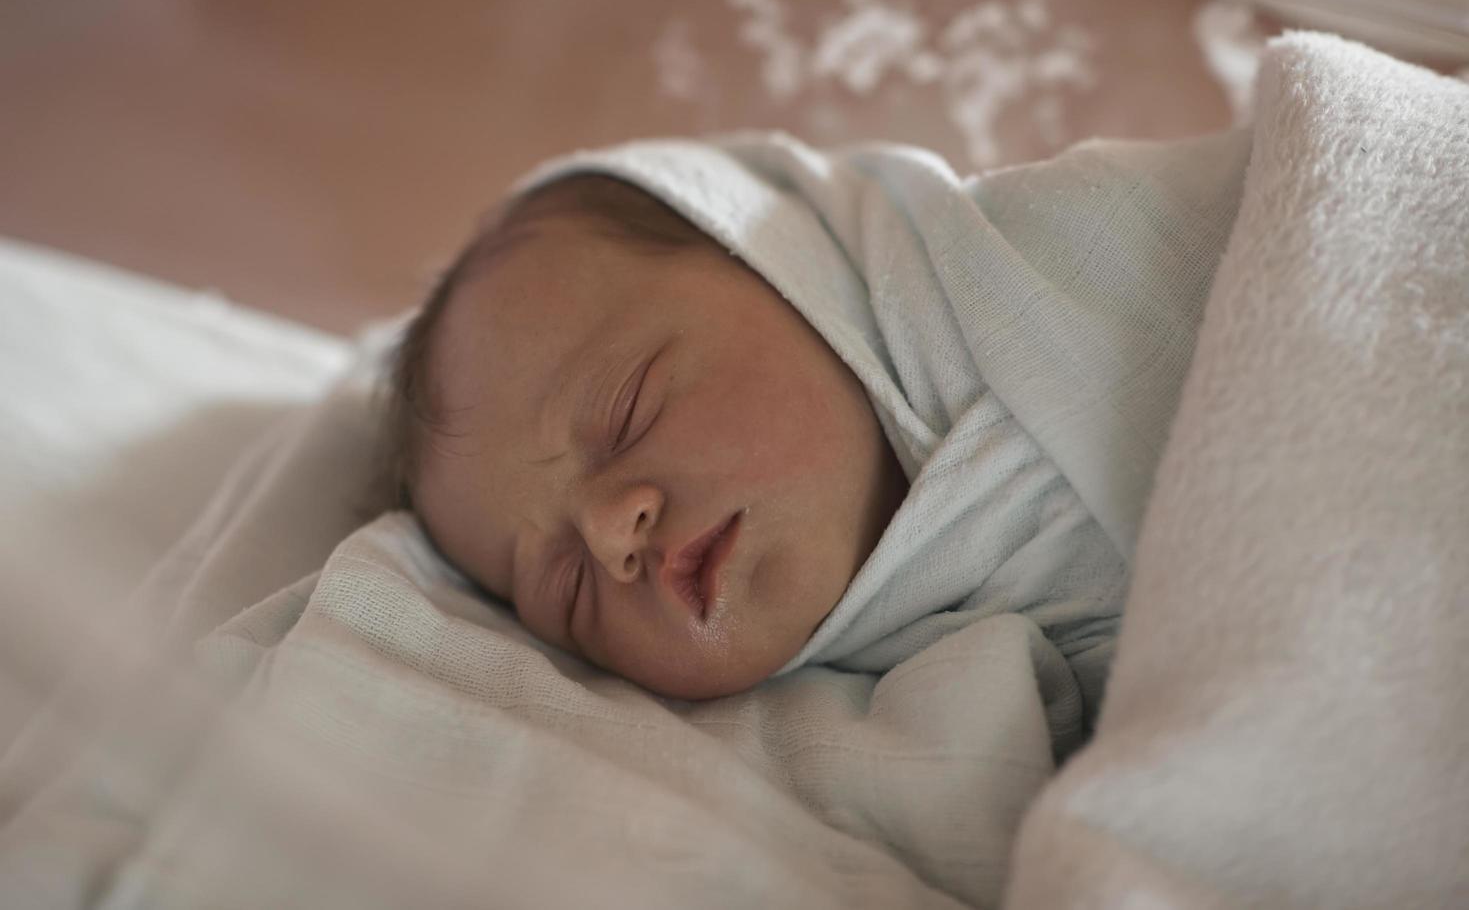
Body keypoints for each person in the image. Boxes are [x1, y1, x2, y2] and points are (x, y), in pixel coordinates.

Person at [384, 129, 1245, 717]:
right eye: (564, 588)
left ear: (778, 259)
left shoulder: (1074, 257)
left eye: (626, 412)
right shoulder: (938, 715)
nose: (612, 536)